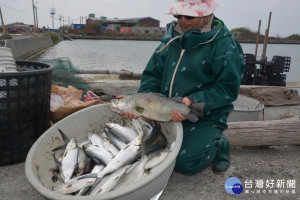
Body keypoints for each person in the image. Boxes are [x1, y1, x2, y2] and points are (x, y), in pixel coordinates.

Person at [118, 0, 245, 174]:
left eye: (189, 16)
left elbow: (227, 89)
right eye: (178, 15)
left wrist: (194, 101)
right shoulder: (169, 41)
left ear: (206, 15)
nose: (182, 20)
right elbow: (152, 76)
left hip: (206, 113)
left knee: (184, 163)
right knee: (143, 151)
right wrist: (140, 102)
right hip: (165, 108)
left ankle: (219, 143)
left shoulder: (224, 45)